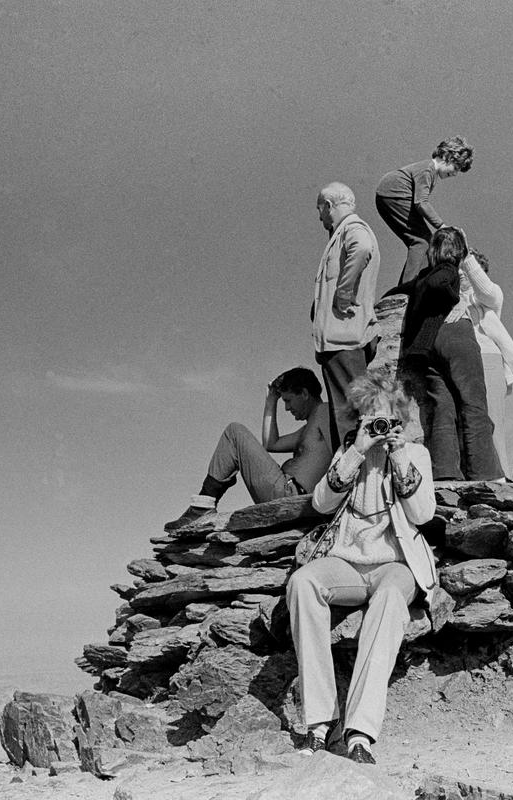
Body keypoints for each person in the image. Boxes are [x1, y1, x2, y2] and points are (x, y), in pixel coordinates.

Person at [286, 368, 439, 765]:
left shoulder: (415, 453)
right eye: (370, 416)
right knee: (303, 583)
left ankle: (360, 733)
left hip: (395, 564)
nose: (378, 423)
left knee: (389, 598)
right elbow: (321, 503)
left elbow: (422, 514)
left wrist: (399, 453)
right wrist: (357, 449)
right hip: (347, 564)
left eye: (385, 416)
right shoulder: (348, 453)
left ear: (401, 418)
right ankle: (320, 723)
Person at [163, 368, 332, 532]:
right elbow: (271, 443)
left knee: (234, 432)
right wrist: (271, 400)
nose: (287, 408)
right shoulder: (309, 428)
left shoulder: (325, 412)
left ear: (304, 393)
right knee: (235, 434)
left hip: (290, 496)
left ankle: (202, 506)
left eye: (288, 400)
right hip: (287, 496)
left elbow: (342, 428)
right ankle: (202, 505)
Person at [399, 227, 504, 481]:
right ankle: (485, 475)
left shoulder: (424, 277)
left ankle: (445, 474)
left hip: (428, 344)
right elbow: (444, 281)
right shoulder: (448, 276)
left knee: (443, 406)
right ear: (459, 254)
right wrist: (453, 297)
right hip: (457, 337)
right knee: (474, 404)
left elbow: (403, 290)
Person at [313, 182, 381, 448]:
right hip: (340, 340)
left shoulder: (353, 229)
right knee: (349, 415)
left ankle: (356, 479)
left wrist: (343, 292)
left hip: (344, 339)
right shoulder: (342, 233)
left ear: (329, 206)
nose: (320, 217)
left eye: (320, 209)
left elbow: (362, 248)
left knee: (351, 417)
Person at [456, 248, 513, 469]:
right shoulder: (450, 298)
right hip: (460, 362)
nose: (461, 272)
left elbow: (487, 290)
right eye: (458, 267)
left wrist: (467, 259)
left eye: (466, 268)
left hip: (487, 359)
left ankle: (499, 472)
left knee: (492, 420)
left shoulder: (488, 298)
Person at [374, 136, 474, 285]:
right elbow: (421, 202)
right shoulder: (428, 170)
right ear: (447, 157)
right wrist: (441, 226)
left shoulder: (430, 172)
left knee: (424, 240)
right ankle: (406, 287)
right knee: (422, 241)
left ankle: (412, 282)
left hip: (389, 195)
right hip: (394, 194)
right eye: (455, 168)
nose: (454, 174)